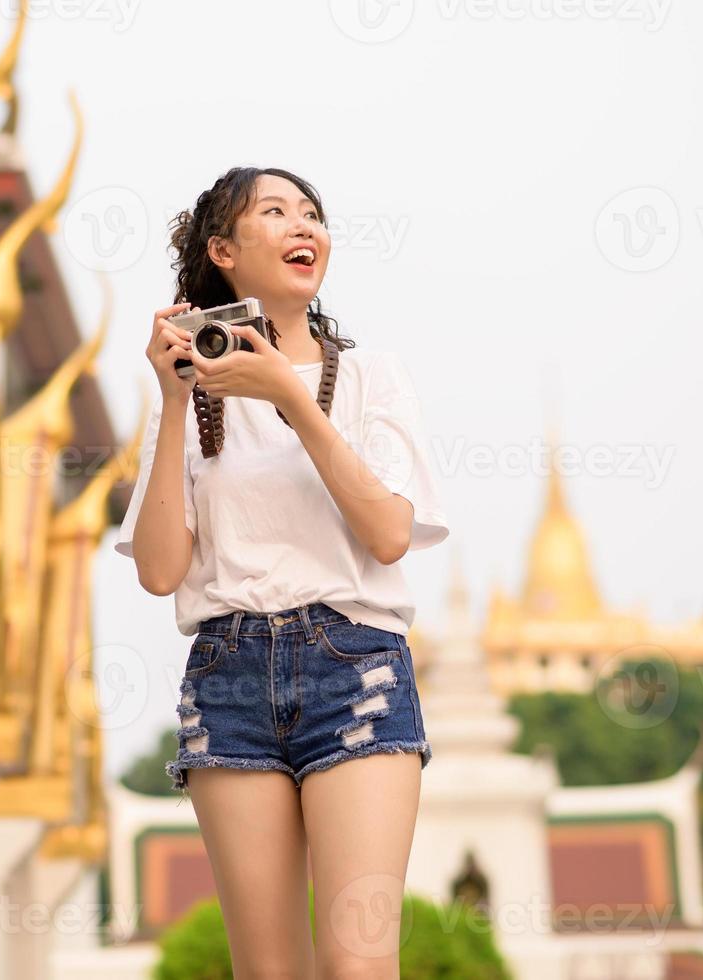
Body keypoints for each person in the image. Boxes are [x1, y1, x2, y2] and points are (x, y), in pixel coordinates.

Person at [113, 166, 450, 976]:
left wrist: (292, 399)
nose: (304, 227)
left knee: (358, 964)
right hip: (228, 674)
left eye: (312, 214)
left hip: (354, 666)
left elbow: (388, 532)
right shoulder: (191, 399)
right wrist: (170, 400)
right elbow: (160, 572)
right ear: (222, 250)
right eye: (274, 213)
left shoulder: (371, 377)